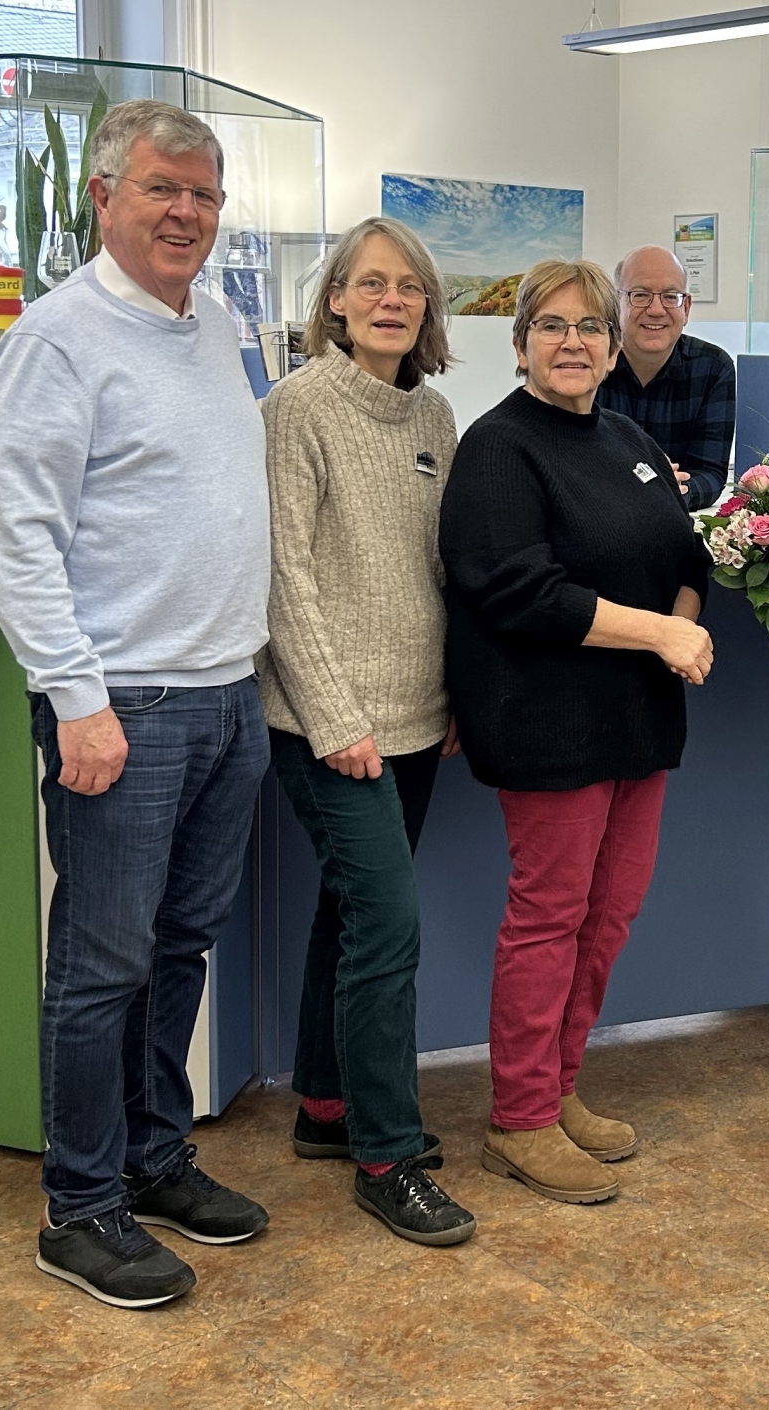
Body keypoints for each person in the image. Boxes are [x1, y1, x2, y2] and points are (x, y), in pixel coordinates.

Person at [0, 99, 271, 1308]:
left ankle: (155, 1159)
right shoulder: (56, 338)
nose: (186, 212)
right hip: (126, 709)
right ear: (104, 196)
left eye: (203, 194)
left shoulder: (218, 323)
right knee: (99, 969)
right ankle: (80, 1204)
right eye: (162, 188)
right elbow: (19, 536)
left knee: (179, 948)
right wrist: (75, 697)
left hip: (226, 696)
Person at [440, 259, 715, 1203]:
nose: (573, 342)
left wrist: (680, 624)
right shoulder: (498, 448)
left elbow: (686, 553)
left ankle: (556, 1092)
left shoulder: (628, 437)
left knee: (609, 916)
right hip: (547, 720)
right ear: (520, 344)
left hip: (638, 717)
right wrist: (662, 633)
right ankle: (517, 1119)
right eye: (551, 326)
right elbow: (515, 589)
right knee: (550, 918)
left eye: (589, 327)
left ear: (612, 344)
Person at [258, 216, 474, 1246]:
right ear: (334, 300)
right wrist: (335, 716)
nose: (392, 300)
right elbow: (283, 576)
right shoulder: (295, 409)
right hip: (323, 722)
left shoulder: (433, 415)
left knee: (350, 915)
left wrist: (455, 702)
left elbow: (444, 576)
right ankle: (389, 1157)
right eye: (370, 284)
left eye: (410, 288)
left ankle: (326, 1108)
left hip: (418, 719)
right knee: (388, 927)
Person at [595, 245, 736, 510]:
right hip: (596, 518)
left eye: (671, 296)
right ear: (615, 304)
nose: (657, 309)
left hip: (674, 518)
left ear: (687, 308)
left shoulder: (713, 368)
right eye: (640, 295)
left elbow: (710, 474)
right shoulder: (589, 363)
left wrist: (665, 492)